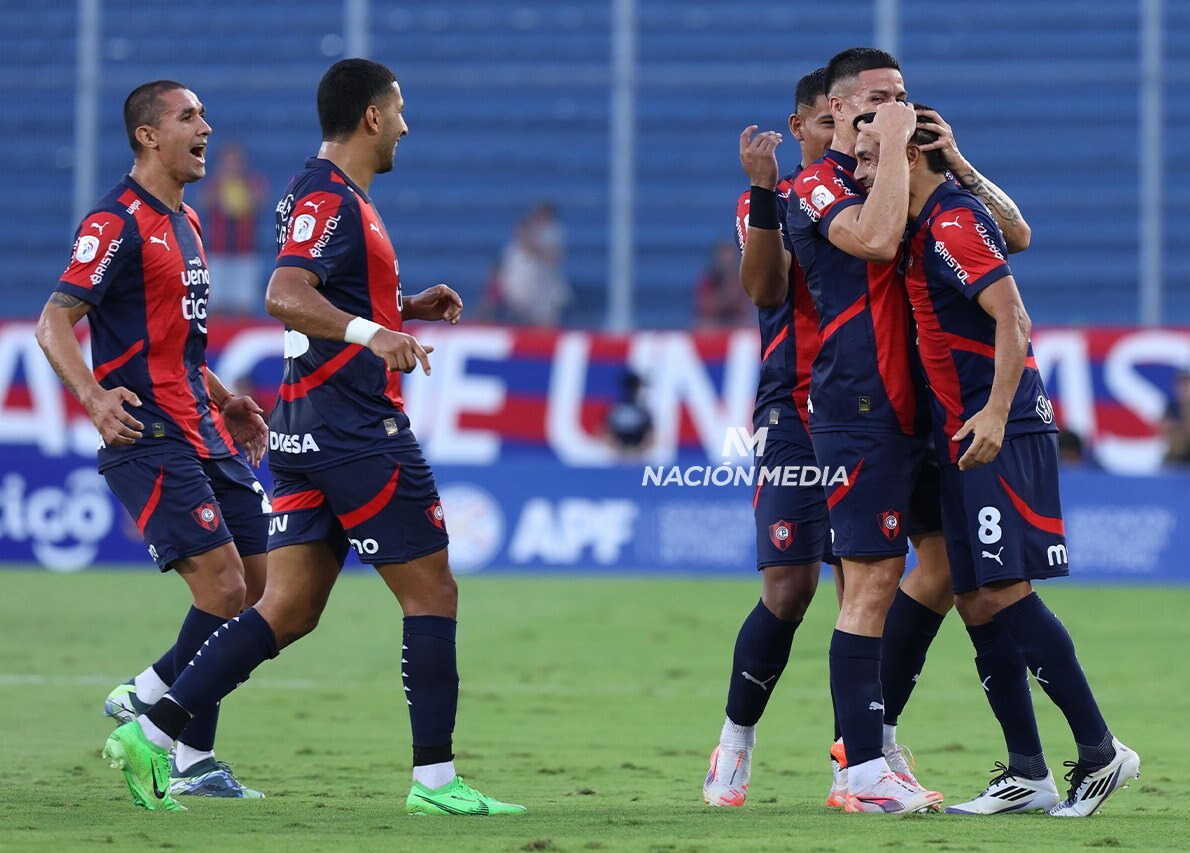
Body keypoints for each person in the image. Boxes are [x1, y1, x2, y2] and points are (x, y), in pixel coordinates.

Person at [100, 59, 525, 817]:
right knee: (433, 592)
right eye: (398, 109)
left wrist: (404, 306)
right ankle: (435, 784)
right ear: (369, 116)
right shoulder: (330, 198)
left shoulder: (328, 195)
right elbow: (285, 294)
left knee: (286, 609)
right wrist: (375, 332)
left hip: (306, 430)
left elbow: (327, 291)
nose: (405, 123)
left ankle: (155, 730)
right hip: (356, 428)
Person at [855, 111, 1140, 816]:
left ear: (911, 158)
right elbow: (1014, 237)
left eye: (869, 159)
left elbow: (1013, 318)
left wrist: (992, 412)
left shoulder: (950, 222)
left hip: (998, 429)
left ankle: (1102, 752)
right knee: (977, 594)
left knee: (1005, 590)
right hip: (963, 433)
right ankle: (1028, 770)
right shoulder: (922, 225)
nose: (861, 174)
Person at [784, 47, 1033, 814]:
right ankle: (858, 769)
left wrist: (951, 158)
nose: (897, 106)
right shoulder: (820, 182)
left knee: (939, 574)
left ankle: (875, 736)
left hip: (918, 408)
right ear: (834, 112)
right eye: (877, 98)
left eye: (901, 95)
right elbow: (880, 240)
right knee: (869, 584)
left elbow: (1013, 236)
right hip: (859, 408)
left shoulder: (904, 165)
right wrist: (890, 144)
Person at [36, 80, 269, 799]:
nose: (206, 126)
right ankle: (165, 718)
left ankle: (180, 736)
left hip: (201, 425)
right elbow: (54, 320)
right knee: (225, 587)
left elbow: (185, 350)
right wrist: (93, 396)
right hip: (149, 433)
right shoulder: (116, 221)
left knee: (262, 585)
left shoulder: (188, 223)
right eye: (189, 116)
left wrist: (229, 400)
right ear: (148, 135)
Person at [200, 142, 268, 317]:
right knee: (215, 306)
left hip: (245, 252)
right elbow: (203, 203)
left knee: (244, 305)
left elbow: (259, 204)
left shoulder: (252, 183)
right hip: (218, 251)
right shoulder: (214, 183)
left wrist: (241, 197)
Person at [492, 202, 570, 325]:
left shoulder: (551, 236)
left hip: (545, 291)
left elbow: (553, 258)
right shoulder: (513, 250)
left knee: (545, 322)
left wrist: (533, 247)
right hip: (520, 298)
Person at [694, 241, 753, 327]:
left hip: (737, 321)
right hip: (714, 322)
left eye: (730, 260)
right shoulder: (709, 279)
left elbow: (745, 308)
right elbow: (706, 307)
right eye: (724, 260)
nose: (727, 264)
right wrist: (726, 293)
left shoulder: (742, 280)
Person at [604, 368, 654, 455]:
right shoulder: (615, 411)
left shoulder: (642, 411)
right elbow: (605, 434)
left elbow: (651, 436)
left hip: (637, 455)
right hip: (621, 455)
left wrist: (638, 450)